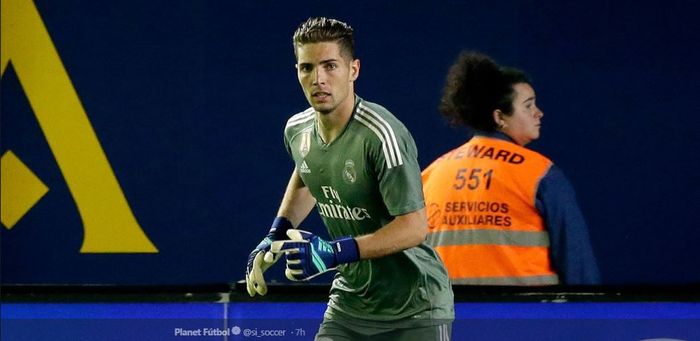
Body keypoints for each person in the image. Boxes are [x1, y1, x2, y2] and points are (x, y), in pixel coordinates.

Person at [244, 17, 454, 340]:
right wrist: (277, 232)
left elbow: (414, 226)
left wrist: (334, 252)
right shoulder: (297, 130)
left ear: (353, 70)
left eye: (330, 66)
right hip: (349, 305)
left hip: (415, 308)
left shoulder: (382, 136)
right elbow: (309, 172)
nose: (318, 79)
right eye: (307, 68)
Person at [422, 51, 600, 285]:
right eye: (528, 106)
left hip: (446, 317)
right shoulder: (540, 173)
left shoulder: (431, 174)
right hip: (524, 317)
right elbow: (578, 266)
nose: (539, 113)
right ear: (499, 117)